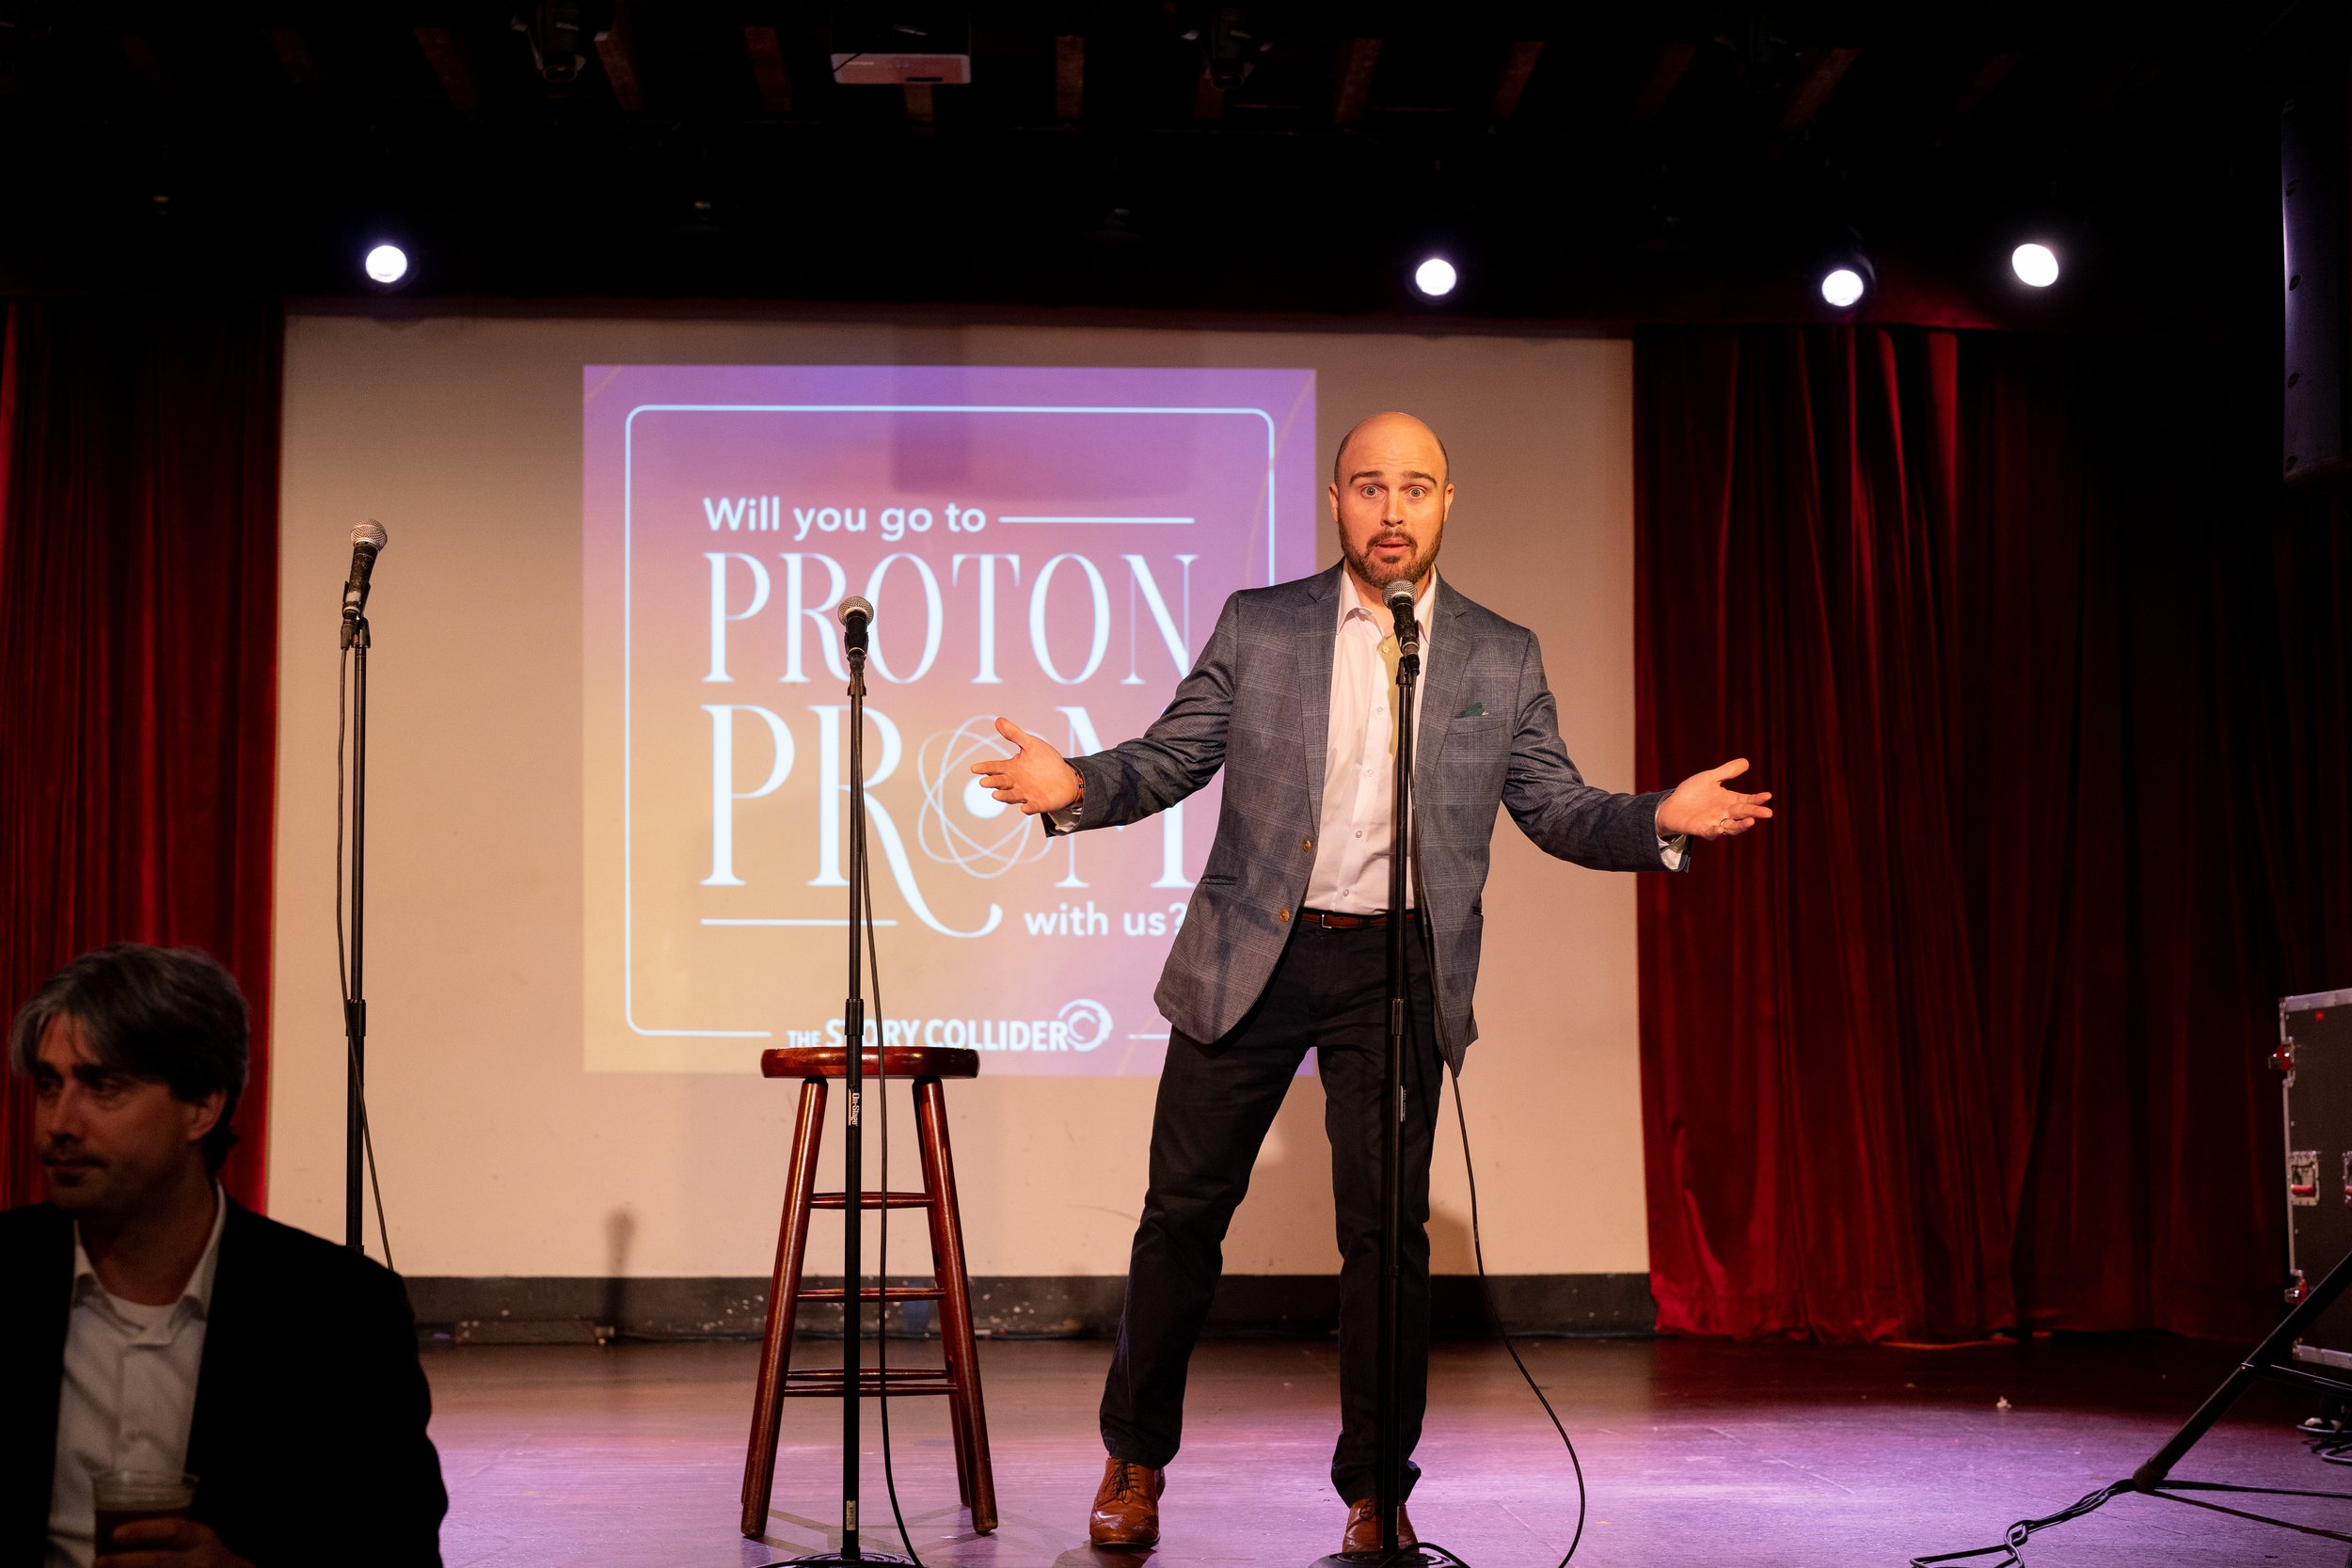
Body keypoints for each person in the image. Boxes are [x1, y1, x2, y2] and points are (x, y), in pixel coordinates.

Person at [973, 411, 1772, 1554]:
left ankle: (1376, 1491)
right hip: (1253, 946)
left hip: (1395, 963)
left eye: (1413, 488)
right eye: (1366, 487)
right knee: (1182, 1219)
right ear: (1334, 500)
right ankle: (1134, 1458)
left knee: (1386, 1240)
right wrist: (1074, 784)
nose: (1389, 510)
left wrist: (1658, 820)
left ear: (1449, 501)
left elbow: (1553, 806)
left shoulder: (1500, 651)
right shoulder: (1263, 626)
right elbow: (1167, 756)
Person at [0, 942, 447, 1568]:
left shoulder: (339, 1310)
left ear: (202, 1106)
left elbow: (396, 1551)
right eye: (49, 1086)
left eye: (102, 1086)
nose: (59, 1123)